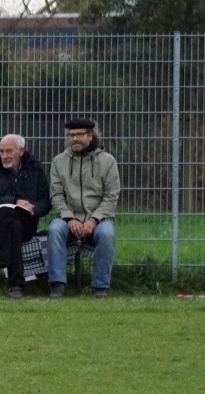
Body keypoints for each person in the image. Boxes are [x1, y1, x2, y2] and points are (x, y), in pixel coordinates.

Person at [46, 118, 121, 298]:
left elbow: (111, 196)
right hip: (68, 219)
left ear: (90, 136)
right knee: (54, 230)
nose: (74, 139)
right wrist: (69, 218)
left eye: (79, 134)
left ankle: (100, 287)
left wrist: (94, 220)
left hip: (99, 219)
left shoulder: (108, 161)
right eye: (71, 135)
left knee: (107, 234)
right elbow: (56, 195)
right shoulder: (58, 162)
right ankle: (57, 284)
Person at [0, 134, 52, 299]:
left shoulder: (35, 169)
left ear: (21, 151)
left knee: (14, 223)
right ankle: (15, 285)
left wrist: (32, 208)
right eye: (1, 151)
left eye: (8, 151)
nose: (4, 156)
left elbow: (46, 202)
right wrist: (14, 201)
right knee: (10, 220)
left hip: (27, 223)